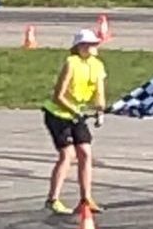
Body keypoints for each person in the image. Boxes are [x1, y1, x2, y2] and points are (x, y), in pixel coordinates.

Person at [43, 28, 108, 215]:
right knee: (67, 154)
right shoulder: (71, 63)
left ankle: (86, 199)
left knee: (85, 153)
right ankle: (53, 199)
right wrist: (73, 111)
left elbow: (99, 93)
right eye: (88, 44)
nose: (92, 47)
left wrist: (100, 111)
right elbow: (58, 96)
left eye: (94, 44)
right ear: (78, 47)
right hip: (58, 115)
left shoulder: (98, 65)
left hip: (76, 115)